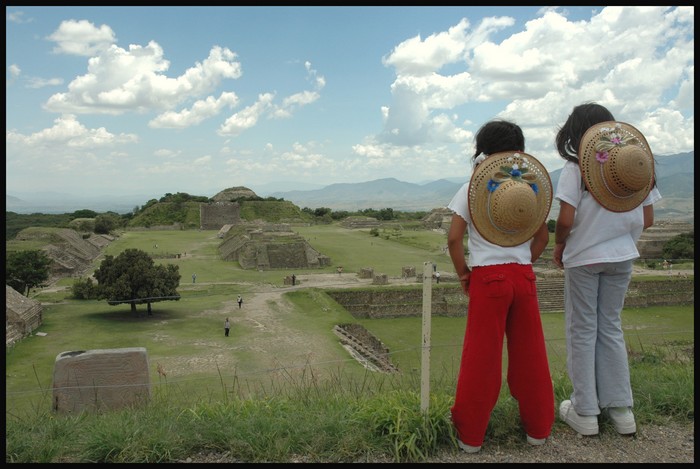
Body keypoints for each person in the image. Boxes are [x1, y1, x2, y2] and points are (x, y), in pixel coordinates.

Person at [552, 103, 662, 437]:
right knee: (611, 327)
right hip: (622, 256)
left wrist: (559, 245)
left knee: (583, 329)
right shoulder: (635, 166)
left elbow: (566, 219)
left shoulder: (576, 170)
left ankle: (585, 411)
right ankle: (621, 410)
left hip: (585, 258)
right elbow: (648, 218)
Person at [446, 119, 555, 453]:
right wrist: (524, 263)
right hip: (522, 276)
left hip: (487, 277)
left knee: (482, 357)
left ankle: (471, 437)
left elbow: (453, 238)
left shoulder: (473, 188)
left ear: (484, 150)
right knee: (531, 353)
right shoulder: (531, 188)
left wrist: (465, 273)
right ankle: (538, 430)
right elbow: (543, 236)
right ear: (520, 150)